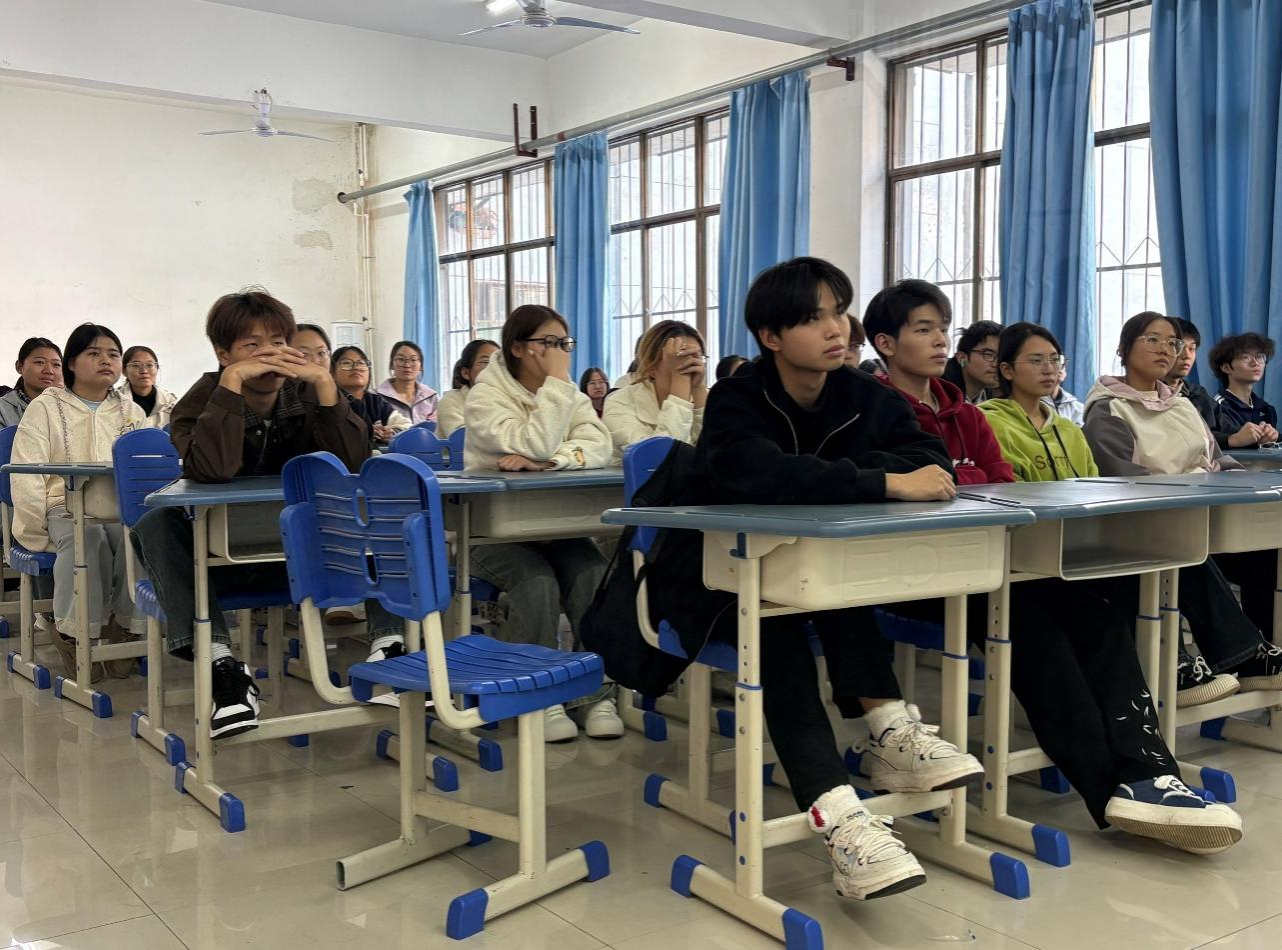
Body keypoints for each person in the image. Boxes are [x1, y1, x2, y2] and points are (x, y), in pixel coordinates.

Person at [648, 258, 984, 902]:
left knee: (834, 586)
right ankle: (840, 815)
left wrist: (842, 474)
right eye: (812, 318)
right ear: (771, 336)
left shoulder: (864, 392)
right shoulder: (737, 397)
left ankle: (890, 734)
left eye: (838, 312)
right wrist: (880, 480)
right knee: (774, 627)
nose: (836, 329)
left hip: (813, 577)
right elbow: (753, 474)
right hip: (715, 581)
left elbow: (930, 461)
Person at [966, 321, 1244, 851]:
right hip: (1007, 567)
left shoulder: (1068, 429)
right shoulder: (987, 421)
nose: (1050, 369)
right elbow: (999, 490)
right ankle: (1113, 788)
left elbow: (1094, 492)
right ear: (1005, 370)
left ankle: (1154, 773)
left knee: (1107, 623)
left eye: (1056, 359)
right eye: (1036, 360)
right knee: (1046, 644)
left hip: (1064, 562)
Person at [130, 288, 406, 740]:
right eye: (252, 345)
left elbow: (353, 465)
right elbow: (213, 471)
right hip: (219, 563)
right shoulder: (200, 401)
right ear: (224, 355)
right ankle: (221, 667)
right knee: (157, 523)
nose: (271, 355)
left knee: (380, 507)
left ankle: (391, 648)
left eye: (279, 342)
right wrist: (231, 386)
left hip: (307, 556)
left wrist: (326, 386)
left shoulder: (311, 392)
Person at [1082, 312, 1282, 703]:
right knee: (1183, 553)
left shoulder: (1182, 404)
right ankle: (1236, 657)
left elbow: (1218, 459)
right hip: (1144, 527)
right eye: (1152, 340)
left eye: (1172, 343)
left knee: (1267, 556)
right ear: (1123, 349)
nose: (1166, 350)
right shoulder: (1108, 408)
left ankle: (1256, 653)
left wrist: (1242, 484)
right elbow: (1125, 479)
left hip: (1202, 518)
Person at [463, 304, 621, 743]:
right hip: (489, 533)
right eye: (548, 343)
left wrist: (553, 461)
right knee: (536, 582)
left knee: (593, 571)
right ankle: (538, 693)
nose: (560, 351)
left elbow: (599, 445)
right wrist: (553, 401)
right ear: (518, 348)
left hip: (553, 526)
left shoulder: (566, 392)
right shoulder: (485, 397)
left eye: (564, 342)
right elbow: (531, 439)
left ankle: (592, 691)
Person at [11, 324, 146, 682]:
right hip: (63, 506)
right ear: (72, 362)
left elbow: (144, 469)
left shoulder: (131, 411)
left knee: (138, 538)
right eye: (94, 353)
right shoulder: (45, 408)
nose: (106, 361)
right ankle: (74, 633)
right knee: (88, 537)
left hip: (118, 510)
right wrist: (36, 531)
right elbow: (26, 472)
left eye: (113, 354)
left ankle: (126, 626)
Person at [864, 281, 1012, 486]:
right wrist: (975, 475)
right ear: (886, 344)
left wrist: (952, 478)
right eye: (924, 330)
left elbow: (1003, 484)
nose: (941, 340)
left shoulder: (970, 416)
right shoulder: (870, 415)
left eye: (943, 329)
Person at [602, 321, 706, 458]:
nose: (690, 366)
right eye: (680, 359)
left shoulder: (709, 396)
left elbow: (719, 452)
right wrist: (680, 380)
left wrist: (698, 389)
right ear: (650, 367)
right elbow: (658, 458)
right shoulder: (619, 403)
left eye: (696, 358)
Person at [1162, 318, 1249, 449]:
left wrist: (1259, 433)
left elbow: (1229, 427)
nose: (1187, 355)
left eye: (1192, 348)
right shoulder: (1151, 394)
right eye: (1179, 347)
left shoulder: (1198, 393)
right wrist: (1229, 440)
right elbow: (1179, 439)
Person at [331, 345, 411, 445]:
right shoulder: (329, 402)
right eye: (347, 363)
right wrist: (366, 431)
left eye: (361, 363)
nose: (356, 367)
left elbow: (407, 425)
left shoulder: (374, 402)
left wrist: (393, 432)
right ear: (333, 373)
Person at [1209, 332, 1279, 444]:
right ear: (1226, 368)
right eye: (1245, 357)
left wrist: (1274, 436)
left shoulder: (1266, 409)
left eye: (1259, 357)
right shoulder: (1217, 407)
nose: (1255, 363)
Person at [436, 339, 498, 438]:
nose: (495, 368)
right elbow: (461, 438)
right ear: (466, 373)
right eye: (486, 362)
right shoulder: (452, 400)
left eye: (499, 362)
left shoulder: (505, 399)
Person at [0, 337, 64, 428]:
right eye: (39, 362)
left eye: (56, 364)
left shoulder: (72, 407)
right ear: (19, 367)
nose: (49, 371)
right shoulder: (2, 409)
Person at [375, 341, 438, 424]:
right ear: (392, 364)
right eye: (401, 359)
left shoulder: (432, 397)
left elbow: (439, 428)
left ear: (421, 366)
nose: (407, 365)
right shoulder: (375, 397)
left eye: (413, 360)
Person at [117, 346, 177, 429]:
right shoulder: (113, 403)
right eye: (136, 365)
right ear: (124, 371)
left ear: (157, 368)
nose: (144, 371)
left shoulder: (171, 405)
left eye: (149, 365)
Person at [942, 320, 1001, 404]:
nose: (996, 364)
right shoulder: (940, 388)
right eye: (988, 354)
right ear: (961, 357)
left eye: (1001, 356)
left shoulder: (991, 396)